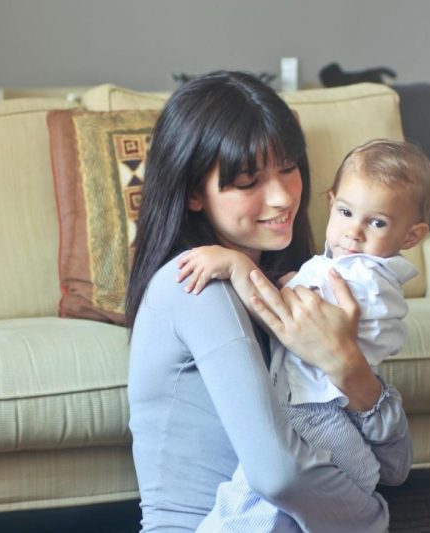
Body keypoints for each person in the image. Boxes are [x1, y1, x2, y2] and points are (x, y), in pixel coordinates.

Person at [126, 71, 412, 533]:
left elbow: (396, 466)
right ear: (195, 193)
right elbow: (277, 475)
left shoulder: (302, 288)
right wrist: (373, 519)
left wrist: (347, 365)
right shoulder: (195, 285)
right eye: (247, 181)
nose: (281, 197)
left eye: (287, 167)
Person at [176, 139, 430, 532]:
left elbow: (281, 315)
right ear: (331, 203)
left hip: (315, 414)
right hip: (337, 423)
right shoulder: (355, 272)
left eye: (377, 222)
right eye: (347, 212)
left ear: (412, 236)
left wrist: (234, 264)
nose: (354, 233)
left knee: (246, 502)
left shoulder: (360, 275)